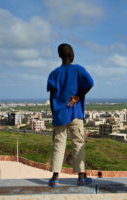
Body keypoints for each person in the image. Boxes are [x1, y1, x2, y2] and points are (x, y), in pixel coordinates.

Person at [47, 43, 94, 187]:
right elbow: (90, 83)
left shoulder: (54, 73)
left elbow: (52, 96)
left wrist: (54, 113)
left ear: (60, 55)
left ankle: (55, 177)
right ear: (72, 54)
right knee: (78, 143)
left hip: (60, 114)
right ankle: (81, 177)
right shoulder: (79, 69)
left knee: (58, 145)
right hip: (75, 112)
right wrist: (79, 96)